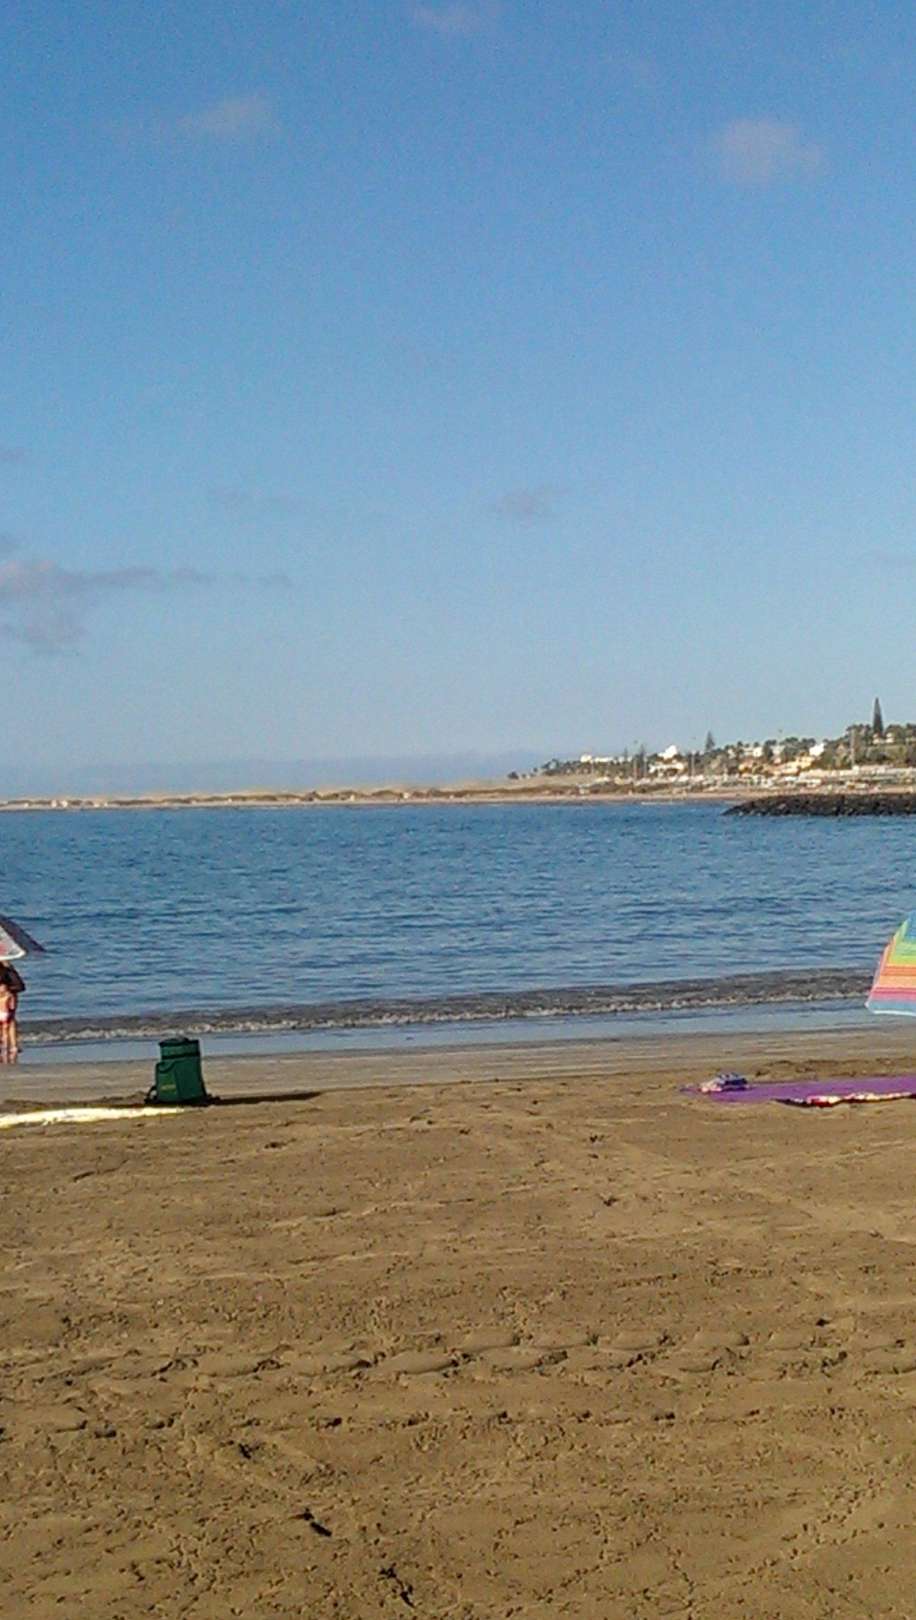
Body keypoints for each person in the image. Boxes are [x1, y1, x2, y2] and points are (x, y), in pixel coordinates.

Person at [0, 961, 25, 1062]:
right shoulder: (8, 968)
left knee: (9, 1020)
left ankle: (12, 1045)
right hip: (9, 988)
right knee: (10, 1020)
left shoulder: (7, 968)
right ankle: (12, 1045)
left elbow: (18, 985)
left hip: (9, 988)